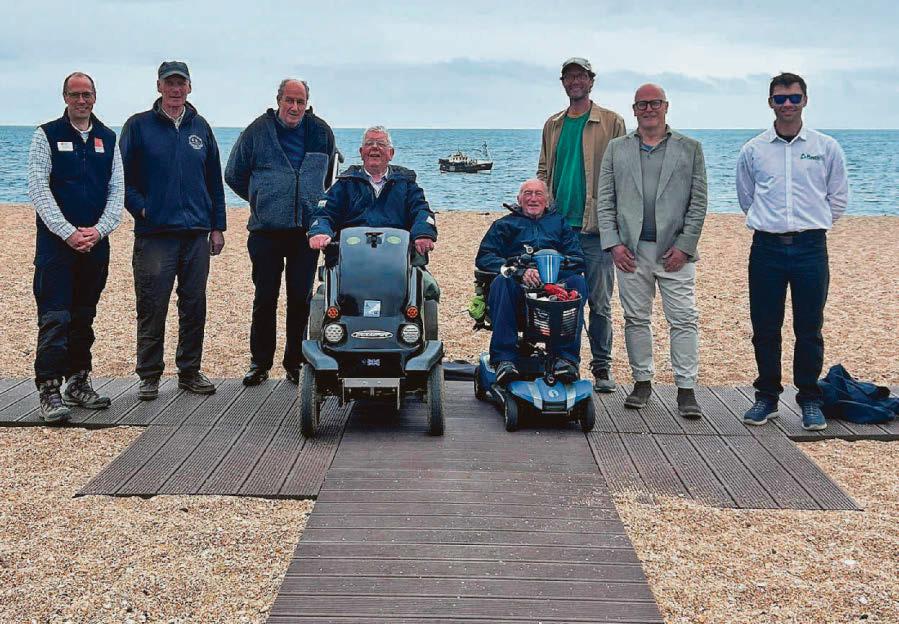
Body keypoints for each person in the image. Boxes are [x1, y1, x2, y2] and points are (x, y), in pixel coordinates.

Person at [736, 72, 849, 431]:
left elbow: (837, 197)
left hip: (811, 248)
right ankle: (767, 397)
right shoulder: (753, 149)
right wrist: (774, 224)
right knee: (766, 327)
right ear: (770, 102)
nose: (787, 104)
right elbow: (746, 196)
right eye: (780, 98)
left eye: (794, 98)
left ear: (805, 101)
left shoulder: (825, 147)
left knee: (809, 328)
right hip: (766, 248)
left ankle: (809, 399)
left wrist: (808, 226)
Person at [597, 84, 708, 419]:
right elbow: (606, 202)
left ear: (666, 106)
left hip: (674, 251)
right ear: (634, 110)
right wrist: (614, 244)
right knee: (635, 318)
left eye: (654, 103)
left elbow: (698, 202)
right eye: (642, 104)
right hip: (631, 251)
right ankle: (642, 381)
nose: (649, 109)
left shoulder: (690, 149)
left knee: (684, 319)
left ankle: (686, 389)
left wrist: (685, 247)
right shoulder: (616, 149)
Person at [120, 61, 226, 400]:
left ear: (190, 87)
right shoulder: (139, 126)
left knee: (194, 305)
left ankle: (189, 372)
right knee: (152, 304)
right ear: (159, 86)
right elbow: (121, 178)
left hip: (196, 233)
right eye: (170, 83)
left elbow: (214, 180)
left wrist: (217, 226)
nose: (176, 89)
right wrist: (143, 207)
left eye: (181, 83)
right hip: (155, 235)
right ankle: (149, 375)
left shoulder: (201, 127)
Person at [225, 78, 337, 386]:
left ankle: (296, 362)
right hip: (266, 232)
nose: (294, 107)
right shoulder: (257, 131)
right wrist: (262, 200)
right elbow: (233, 174)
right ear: (278, 100)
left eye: (300, 102)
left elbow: (327, 178)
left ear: (307, 103)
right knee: (265, 297)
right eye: (289, 100)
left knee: (300, 298)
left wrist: (310, 201)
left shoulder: (321, 132)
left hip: (306, 232)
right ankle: (259, 363)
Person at [27, 71, 123, 423]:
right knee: (55, 317)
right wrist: (67, 232)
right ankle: (49, 388)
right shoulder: (46, 135)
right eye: (75, 94)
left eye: (87, 94)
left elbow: (117, 192)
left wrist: (98, 231)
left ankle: (78, 381)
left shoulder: (108, 138)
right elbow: (39, 189)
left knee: (84, 315)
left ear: (95, 97)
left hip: (95, 246)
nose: (82, 100)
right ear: (64, 97)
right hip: (56, 247)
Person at [537, 57, 626, 393]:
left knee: (600, 304)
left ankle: (602, 367)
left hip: (597, 230)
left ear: (592, 80)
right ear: (563, 82)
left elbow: (622, 174)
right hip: (559, 230)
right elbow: (544, 170)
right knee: (557, 300)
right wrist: (540, 210)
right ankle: (562, 362)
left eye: (581, 76)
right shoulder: (554, 124)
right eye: (569, 76)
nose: (575, 81)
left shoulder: (611, 122)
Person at [475, 179, 587, 385]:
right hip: (517, 292)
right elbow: (484, 257)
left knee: (578, 283)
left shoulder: (559, 224)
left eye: (538, 194)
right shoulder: (504, 225)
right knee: (502, 281)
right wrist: (518, 271)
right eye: (527, 193)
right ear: (519, 199)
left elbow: (578, 259)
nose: (533, 198)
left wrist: (553, 269)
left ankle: (566, 359)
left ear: (547, 200)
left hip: (553, 291)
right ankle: (504, 360)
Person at [308, 126, 439, 300]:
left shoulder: (406, 185)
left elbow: (421, 211)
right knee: (323, 296)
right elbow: (323, 213)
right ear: (362, 152)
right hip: (352, 260)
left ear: (391, 153)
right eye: (369, 143)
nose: (375, 147)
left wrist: (423, 233)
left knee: (428, 290)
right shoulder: (345, 184)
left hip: (396, 260)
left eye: (381, 144)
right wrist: (320, 231)